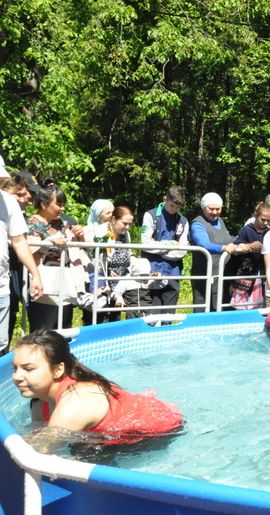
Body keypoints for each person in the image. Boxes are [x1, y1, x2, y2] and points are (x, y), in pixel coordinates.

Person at [11, 329, 182, 452]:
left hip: (157, 430)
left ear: (58, 370)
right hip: (119, 420)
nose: (16, 377)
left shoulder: (75, 404)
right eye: (15, 368)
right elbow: (34, 436)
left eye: (28, 369)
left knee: (83, 454)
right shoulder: (39, 401)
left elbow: (36, 454)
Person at [27, 182, 86, 330]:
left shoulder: (64, 223)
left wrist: (79, 236)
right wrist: (48, 242)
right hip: (43, 284)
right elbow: (29, 253)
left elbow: (81, 249)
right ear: (43, 204)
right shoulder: (32, 223)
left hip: (65, 282)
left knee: (64, 329)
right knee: (43, 331)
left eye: (63, 204)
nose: (63, 208)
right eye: (59, 204)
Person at [1, 171, 42, 347]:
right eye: (21, 193)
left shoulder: (8, 204)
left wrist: (35, 274)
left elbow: (19, 241)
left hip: (5, 282)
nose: (28, 198)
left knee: (3, 340)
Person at [141, 186, 189, 310]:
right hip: (152, 271)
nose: (175, 210)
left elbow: (182, 251)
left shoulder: (183, 221)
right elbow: (145, 244)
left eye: (178, 207)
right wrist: (169, 245)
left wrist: (159, 249)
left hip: (173, 272)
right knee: (152, 314)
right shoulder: (150, 215)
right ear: (165, 199)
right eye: (172, 206)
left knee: (169, 314)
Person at [87, 205, 135, 324]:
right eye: (124, 223)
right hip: (101, 279)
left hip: (118, 281)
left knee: (114, 318)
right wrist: (105, 272)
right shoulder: (100, 232)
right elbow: (91, 256)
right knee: (98, 317)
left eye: (130, 224)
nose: (127, 227)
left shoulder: (126, 235)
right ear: (113, 219)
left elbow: (128, 253)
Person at [189, 192, 236, 312]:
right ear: (203, 208)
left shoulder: (220, 221)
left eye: (218, 209)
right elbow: (203, 243)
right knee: (204, 305)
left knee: (224, 304)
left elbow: (228, 238)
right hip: (205, 273)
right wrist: (222, 248)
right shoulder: (198, 224)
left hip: (223, 273)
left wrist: (241, 242)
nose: (214, 212)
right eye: (211, 209)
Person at [228, 202, 270, 309]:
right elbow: (237, 246)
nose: (265, 223)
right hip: (246, 273)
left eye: (268, 220)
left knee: (261, 303)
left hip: (263, 273)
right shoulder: (246, 230)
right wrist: (248, 246)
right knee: (243, 304)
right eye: (263, 219)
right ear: (256, 215)